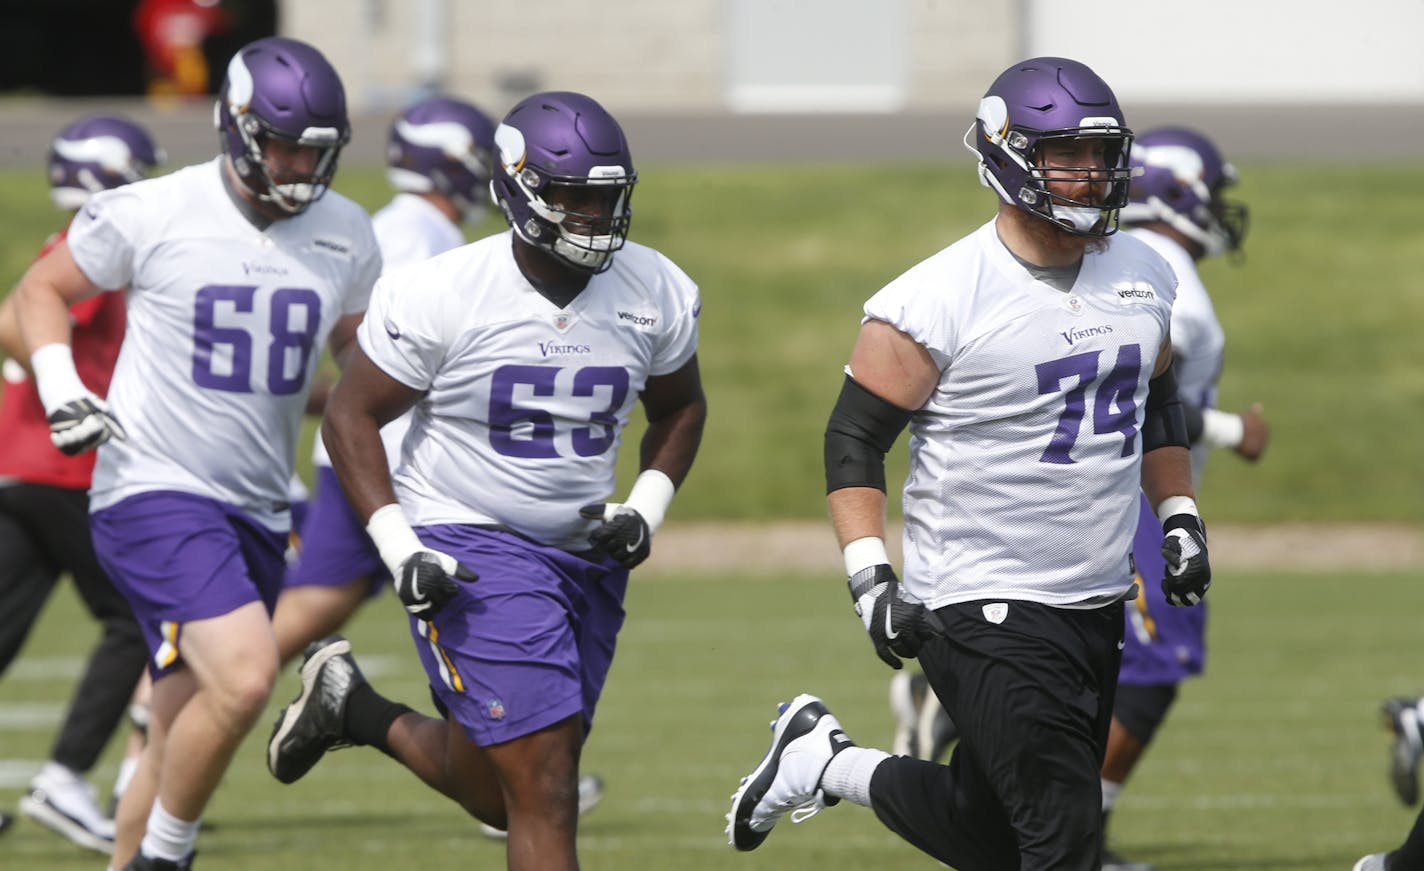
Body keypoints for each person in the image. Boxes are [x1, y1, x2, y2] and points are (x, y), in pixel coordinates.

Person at [725, 56, 1212, 870]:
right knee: (1063, 839)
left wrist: (1180, 516)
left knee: (990, 830)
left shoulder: (1145, 272)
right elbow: (853, 439)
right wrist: (871, 577)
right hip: (980, 599)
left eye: (1101, 155)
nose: (1092, 176)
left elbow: (1156, 403)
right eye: (1068, 155)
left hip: (1093, 596)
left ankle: (822, 761)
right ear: (1007, 153)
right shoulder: (937, 297)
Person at [264, 90, 705, 871]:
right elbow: (351, 417)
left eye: (606, 198)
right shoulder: (445, 291)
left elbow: (680, 405)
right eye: (572, 197)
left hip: (584, 554)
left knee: (497, 790)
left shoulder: (655, 287)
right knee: (546, 787)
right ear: (516, 188)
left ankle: (352, 708)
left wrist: (647, 504)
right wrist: (403, 551)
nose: (594, 217)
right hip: (471, 543)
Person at [0, 36, 379, 871]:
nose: (302, 165)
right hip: (151, 489)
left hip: (255, 502)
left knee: (178, 720)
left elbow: (359, 363)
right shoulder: (157, 208)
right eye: (286, 144)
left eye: (318, 149)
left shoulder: (347, 232)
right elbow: (37, 293)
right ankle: (164, 858)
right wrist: (63, 388)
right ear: (239, 130)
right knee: (245, 678)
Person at [273, 95, 498, 664]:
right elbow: (372, 347)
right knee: (484, 601)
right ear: (452, 160)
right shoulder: (414, 236)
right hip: (395, 457)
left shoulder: (414, 229)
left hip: (387, 452)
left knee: (316, 603)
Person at [1097, 125, 1269, 870]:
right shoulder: (1167, 281)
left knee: (1106, 675)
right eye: (1213, 189)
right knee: (1151, 674)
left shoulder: (1130, 262)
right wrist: (1234, 428)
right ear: (1177, 188)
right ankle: (1073, 840)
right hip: (1134, 498)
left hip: (1117, 492)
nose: (1221, 206)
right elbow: (1130, 393)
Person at [0, 114, 163, 854]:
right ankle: (65, 778)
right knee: (136, 615)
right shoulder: (88, 247)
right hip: (67, 467)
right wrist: (58, 375)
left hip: (21, 463)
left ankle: (72, 779)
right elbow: (15, 319)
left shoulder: (70, 241)